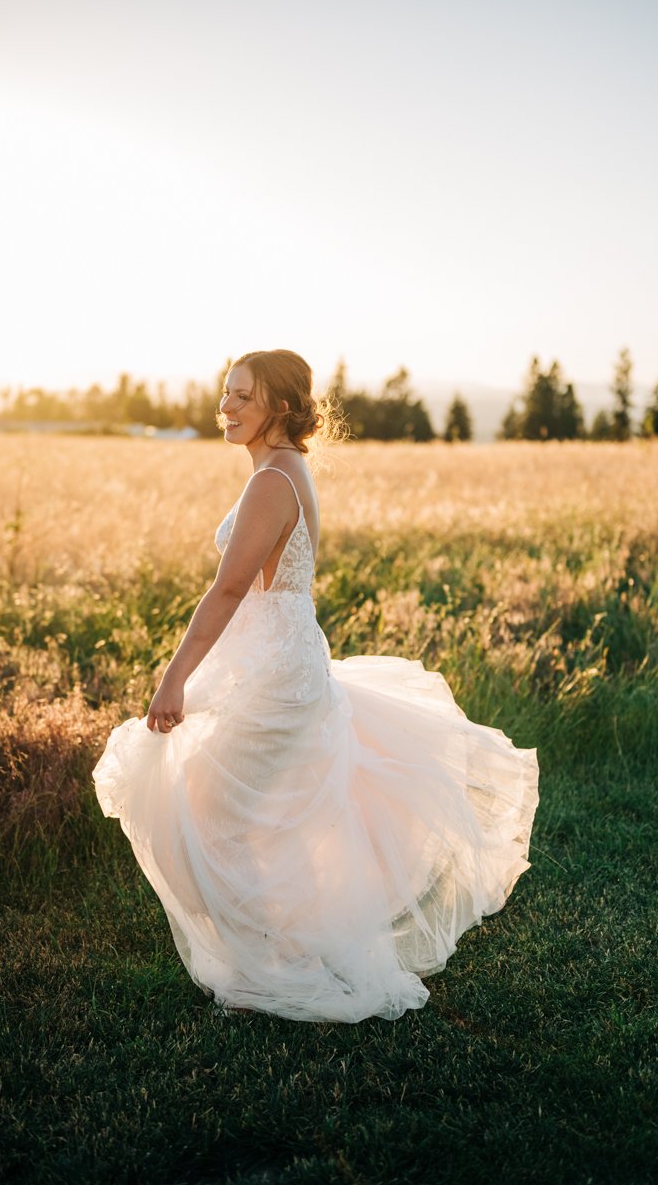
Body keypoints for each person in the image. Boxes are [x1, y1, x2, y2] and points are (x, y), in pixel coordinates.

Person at [92, 349, 539, 1022]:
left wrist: (173, 677)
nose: (227, 408)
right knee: (251, 818)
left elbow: (230, 589)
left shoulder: (273, 480)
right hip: (277, 658)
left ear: (277, 406)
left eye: (242, 397)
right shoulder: (282, 471)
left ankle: (283, 966)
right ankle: (282, 952)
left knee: (212, 816)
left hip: (275, 672)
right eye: (225, 394)